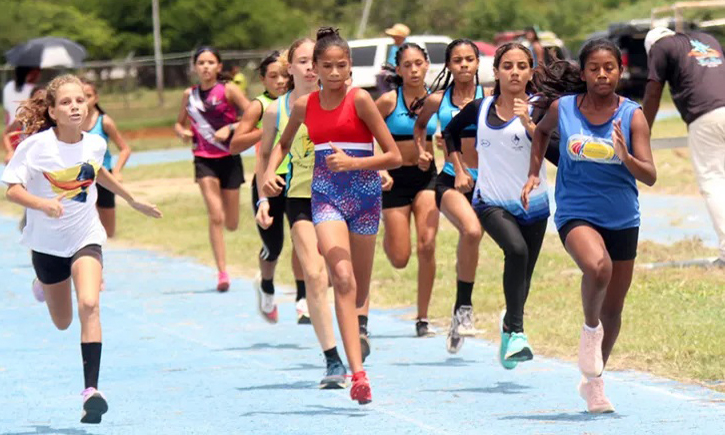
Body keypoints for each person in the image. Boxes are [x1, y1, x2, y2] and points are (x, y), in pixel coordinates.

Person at [2, 74, 162, 424]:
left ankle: (92, 391)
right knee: (63, 322)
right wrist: (41, 206)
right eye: (66, 102)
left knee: (90, 303)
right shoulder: (35, 146)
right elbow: (11, 189)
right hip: (46, 246)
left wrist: (132, 200)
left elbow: (98, 172)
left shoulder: (95, 143)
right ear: (53, 111)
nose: (75, 106)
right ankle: (43, 284)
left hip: (85, 236)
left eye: (79, 100)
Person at [263, 27, 402, 404]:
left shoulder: (360, 101)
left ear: (350, 68)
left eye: (342, 65)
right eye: (328, 66)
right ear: (317, 71)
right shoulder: (303, 106)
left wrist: (355, 162)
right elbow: (284, 145)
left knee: (357, 286)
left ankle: (358, 334)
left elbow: (394, 157)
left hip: (365, 198)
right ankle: (358, 375)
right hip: (325, 197)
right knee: (340, 277)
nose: (335, 72)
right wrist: (270, 174)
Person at [522, 39, 656, 413]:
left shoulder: (632, 116)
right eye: (594, 68)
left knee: (615, 308)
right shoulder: (564, 108)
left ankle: (594, 383)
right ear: (583, 73)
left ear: (619, 71)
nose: (602, 74)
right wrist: (534, 173)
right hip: (576, 212)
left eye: (609, 68)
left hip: (622, 217)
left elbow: (650, 175)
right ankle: (588, 330)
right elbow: (540, 132)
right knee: (598, 268)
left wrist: (626, 155)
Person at [444, 42, 559, 369]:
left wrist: (529, 125)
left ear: (531, 72)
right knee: (516, 251)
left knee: (524, 277)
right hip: (490, 201)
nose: (514, 72)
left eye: (522, 66)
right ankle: (519, 332)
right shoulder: (479, 109)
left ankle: (509, 328)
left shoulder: (541, 110)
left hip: (534, 206)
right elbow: (449, 133)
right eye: (507, 66)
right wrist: (460, 170)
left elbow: (555, 155)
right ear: (495, 72)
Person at [257, 38, 348, 388]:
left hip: (341, 196)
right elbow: (266, 155)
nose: (312, 67)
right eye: (304, 61)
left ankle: (358, 332)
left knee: (343, 275)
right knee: (314, 273)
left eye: (317, 60)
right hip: (300, 199)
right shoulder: (276, 111)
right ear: (290, 67)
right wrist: (264, 197)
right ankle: (332, 359)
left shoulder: (343, 100)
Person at [224, 50, 307, 324]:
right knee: (274, 247)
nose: (281, 81)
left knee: (302, 239)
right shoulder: (260, 107)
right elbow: (235, 145)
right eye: (273, 76)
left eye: (284, 74)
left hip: (298, 179)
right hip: (268, 182)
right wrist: (270, 129)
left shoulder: (303, 101)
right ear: (262, 79)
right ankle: (267, 286)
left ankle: (302, 298)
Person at [413, 39, 485, 354]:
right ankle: (465, 309)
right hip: (452, 181)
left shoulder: (491, 98)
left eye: (469, 59)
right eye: (458, 60)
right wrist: (422, 151)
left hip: (490, 184)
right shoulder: (438, 100)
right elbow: (419, 128)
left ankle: (458, 315)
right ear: (449, 65)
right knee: (471, 230)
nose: (464, 65)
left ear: (478, 63)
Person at [642, 27, 725, 267]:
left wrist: (642, 132)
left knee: (713, 181)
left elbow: (653, 92)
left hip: (705, 115)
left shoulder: (660, 47)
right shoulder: (707, 38)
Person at [375, 43, 439, 337]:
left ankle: (422, 318)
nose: (414, 70)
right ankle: (388, 230)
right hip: (394, 181)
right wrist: (380, 167)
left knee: (427, 244)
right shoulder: (389, 101)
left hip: (426, 177)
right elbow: (365, 132)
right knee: (400, 259)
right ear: (398, 70)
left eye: (418, 63)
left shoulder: (437, 100)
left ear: (427, 65)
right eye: (407, 65)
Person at [174, 47, 250, 292]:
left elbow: (254, 115)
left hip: (229, 156)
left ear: (219, 66)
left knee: (232, 223)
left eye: (210, 62)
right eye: (201, 62)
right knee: (215, 215)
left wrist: (231, 127)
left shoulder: (229, 90)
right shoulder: (190, 95)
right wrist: (181, 132)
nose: (205, 67)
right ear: (195, 67)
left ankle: (223, 261)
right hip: (203, 158)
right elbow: (179, 123)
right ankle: (222, 272)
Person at [81, 80, 132, 238]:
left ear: (96, 98)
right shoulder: (70, 122)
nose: (84, 100)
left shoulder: (104, 121)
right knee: (85, 228)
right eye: (80, 96)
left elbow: (125, 149)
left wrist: (116, 171)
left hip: (104, 177)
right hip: (80, 178)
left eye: (88, 96)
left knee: (108, 232)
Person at [4, 86, 45, 164]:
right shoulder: (25, 117)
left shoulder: (53, 120)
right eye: (38, 102)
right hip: (24, 161)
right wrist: (10, 151)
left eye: (44, 102)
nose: (41, 106)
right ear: (31, 102)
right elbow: (6, 134)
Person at [376, 23, 412, 95]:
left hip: (402, 76)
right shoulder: (395, 47)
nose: (393, 38)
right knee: (381, 76)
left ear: (400, 37)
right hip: (395, 73)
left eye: (394, 36)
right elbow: (391, 62)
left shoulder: (407, 49)